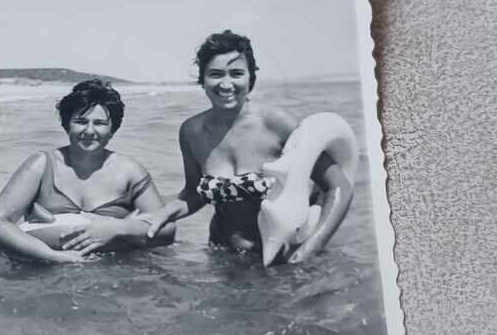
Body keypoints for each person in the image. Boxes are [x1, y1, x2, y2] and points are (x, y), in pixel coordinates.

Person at [145, 30, 353, 261]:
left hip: (279, 256)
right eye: (215, 74)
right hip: (221, 254)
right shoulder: (192, 131)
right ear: (202, 79)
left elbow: (338, 186)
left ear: (250, 78)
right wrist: (164, 213)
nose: (226, 84)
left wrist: (310, 248)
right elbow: (194, 193)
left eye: (236, 74)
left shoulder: (278, 124)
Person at [0, 79, 175, 263]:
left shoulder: (130, 171)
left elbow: (167, 230)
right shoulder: (42, 165)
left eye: (99, 123)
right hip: (44, 270)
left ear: (113, 129)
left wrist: (118, 227)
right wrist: (52, 256)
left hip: (115, 272)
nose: (89, 131)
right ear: (67, 125)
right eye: (81, 121)